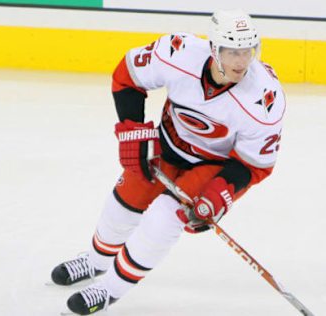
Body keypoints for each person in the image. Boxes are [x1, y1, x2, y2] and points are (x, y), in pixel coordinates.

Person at [51, 9, 285, 315]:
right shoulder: (177, 52)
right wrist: (131, 130)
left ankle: (109, 290)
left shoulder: (264, 99)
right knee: (127, 197)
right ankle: (95, 262)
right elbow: (128, 76)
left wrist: (219, 194)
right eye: (232, 52)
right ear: (214, 49)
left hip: (210, 164)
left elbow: (255, 164)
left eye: (248, 51)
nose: (242, 61)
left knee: (165, 217)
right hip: (168, 143)